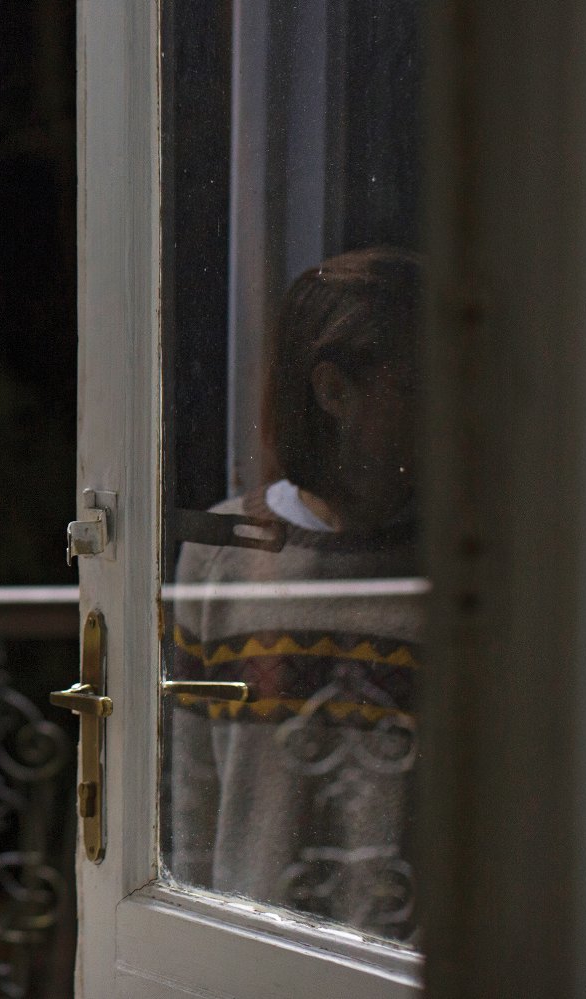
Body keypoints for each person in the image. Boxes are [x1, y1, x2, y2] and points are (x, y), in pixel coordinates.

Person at [164, 246, 424, 942]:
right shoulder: (221, 554)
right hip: (258, 956)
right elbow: (189, 790)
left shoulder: (461, 568)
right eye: (413, 388)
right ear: (334, 392)